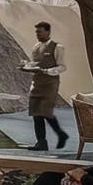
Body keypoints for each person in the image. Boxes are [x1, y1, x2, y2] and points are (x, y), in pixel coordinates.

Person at [25, 21, 69, 150]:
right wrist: (27, 66)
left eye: (40, 31)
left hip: (50, 84)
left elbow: (62, 67)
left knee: (45, 111)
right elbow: (35, 63)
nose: (37, 34)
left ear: (48, 31)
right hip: (37, 83)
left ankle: (61, 134)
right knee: (36, 113)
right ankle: (41, 142)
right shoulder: (36, 47)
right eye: (36, 32)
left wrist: (47, 71)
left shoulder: (57, 47)